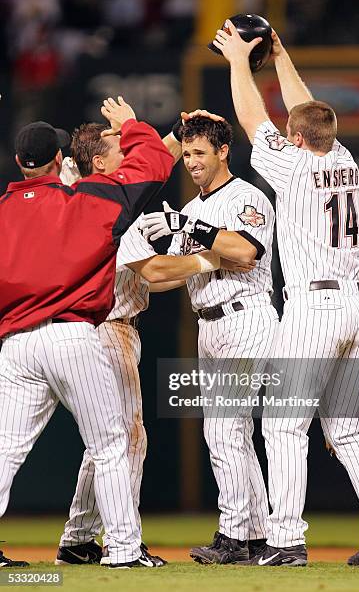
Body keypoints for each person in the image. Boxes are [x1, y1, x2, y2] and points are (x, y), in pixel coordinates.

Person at [210, 22, 359, 568]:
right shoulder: (343, 159)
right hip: (357, 309)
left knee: (282, 424)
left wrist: (236, 60)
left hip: (314, 310)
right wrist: (279, 55)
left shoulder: (292, 165)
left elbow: (253, 119)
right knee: (347, 428)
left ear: (295, 138)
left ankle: (286, 542)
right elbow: (308, 111)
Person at [0, 97, 174, 569]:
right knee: (112, 443)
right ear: (61, 160)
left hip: (16, 345)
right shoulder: (87, 199)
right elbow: (153, 165)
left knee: (4, 449)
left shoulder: (3, 211)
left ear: (19, 162)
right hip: (74, 337)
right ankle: (122, 550)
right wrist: (133, 126)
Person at [54, 117, 223, 567]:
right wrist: (208, 261)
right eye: (118, 148)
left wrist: (171, 130)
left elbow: (151, 161)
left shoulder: (87, 195)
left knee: (104, 442)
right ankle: (123, 542)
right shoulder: (111, 204)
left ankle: (78, 538)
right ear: (99, 162)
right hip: (109, 327)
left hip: (93, 328)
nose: (129, 154)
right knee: (127, 440)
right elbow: (153, 271)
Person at [141, 115, 278, 564]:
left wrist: (198, 237)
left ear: (223, 152)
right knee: (229, 431)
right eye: (186, 153)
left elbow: (245, 251)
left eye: (200, 152)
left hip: (245, 316)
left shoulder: (246, 195)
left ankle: (235, 535)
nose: (191, 161)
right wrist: (197, 259)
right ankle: (256, 534)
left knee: (223, 428)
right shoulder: (195, 208)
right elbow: (172, 274)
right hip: (209, 322)